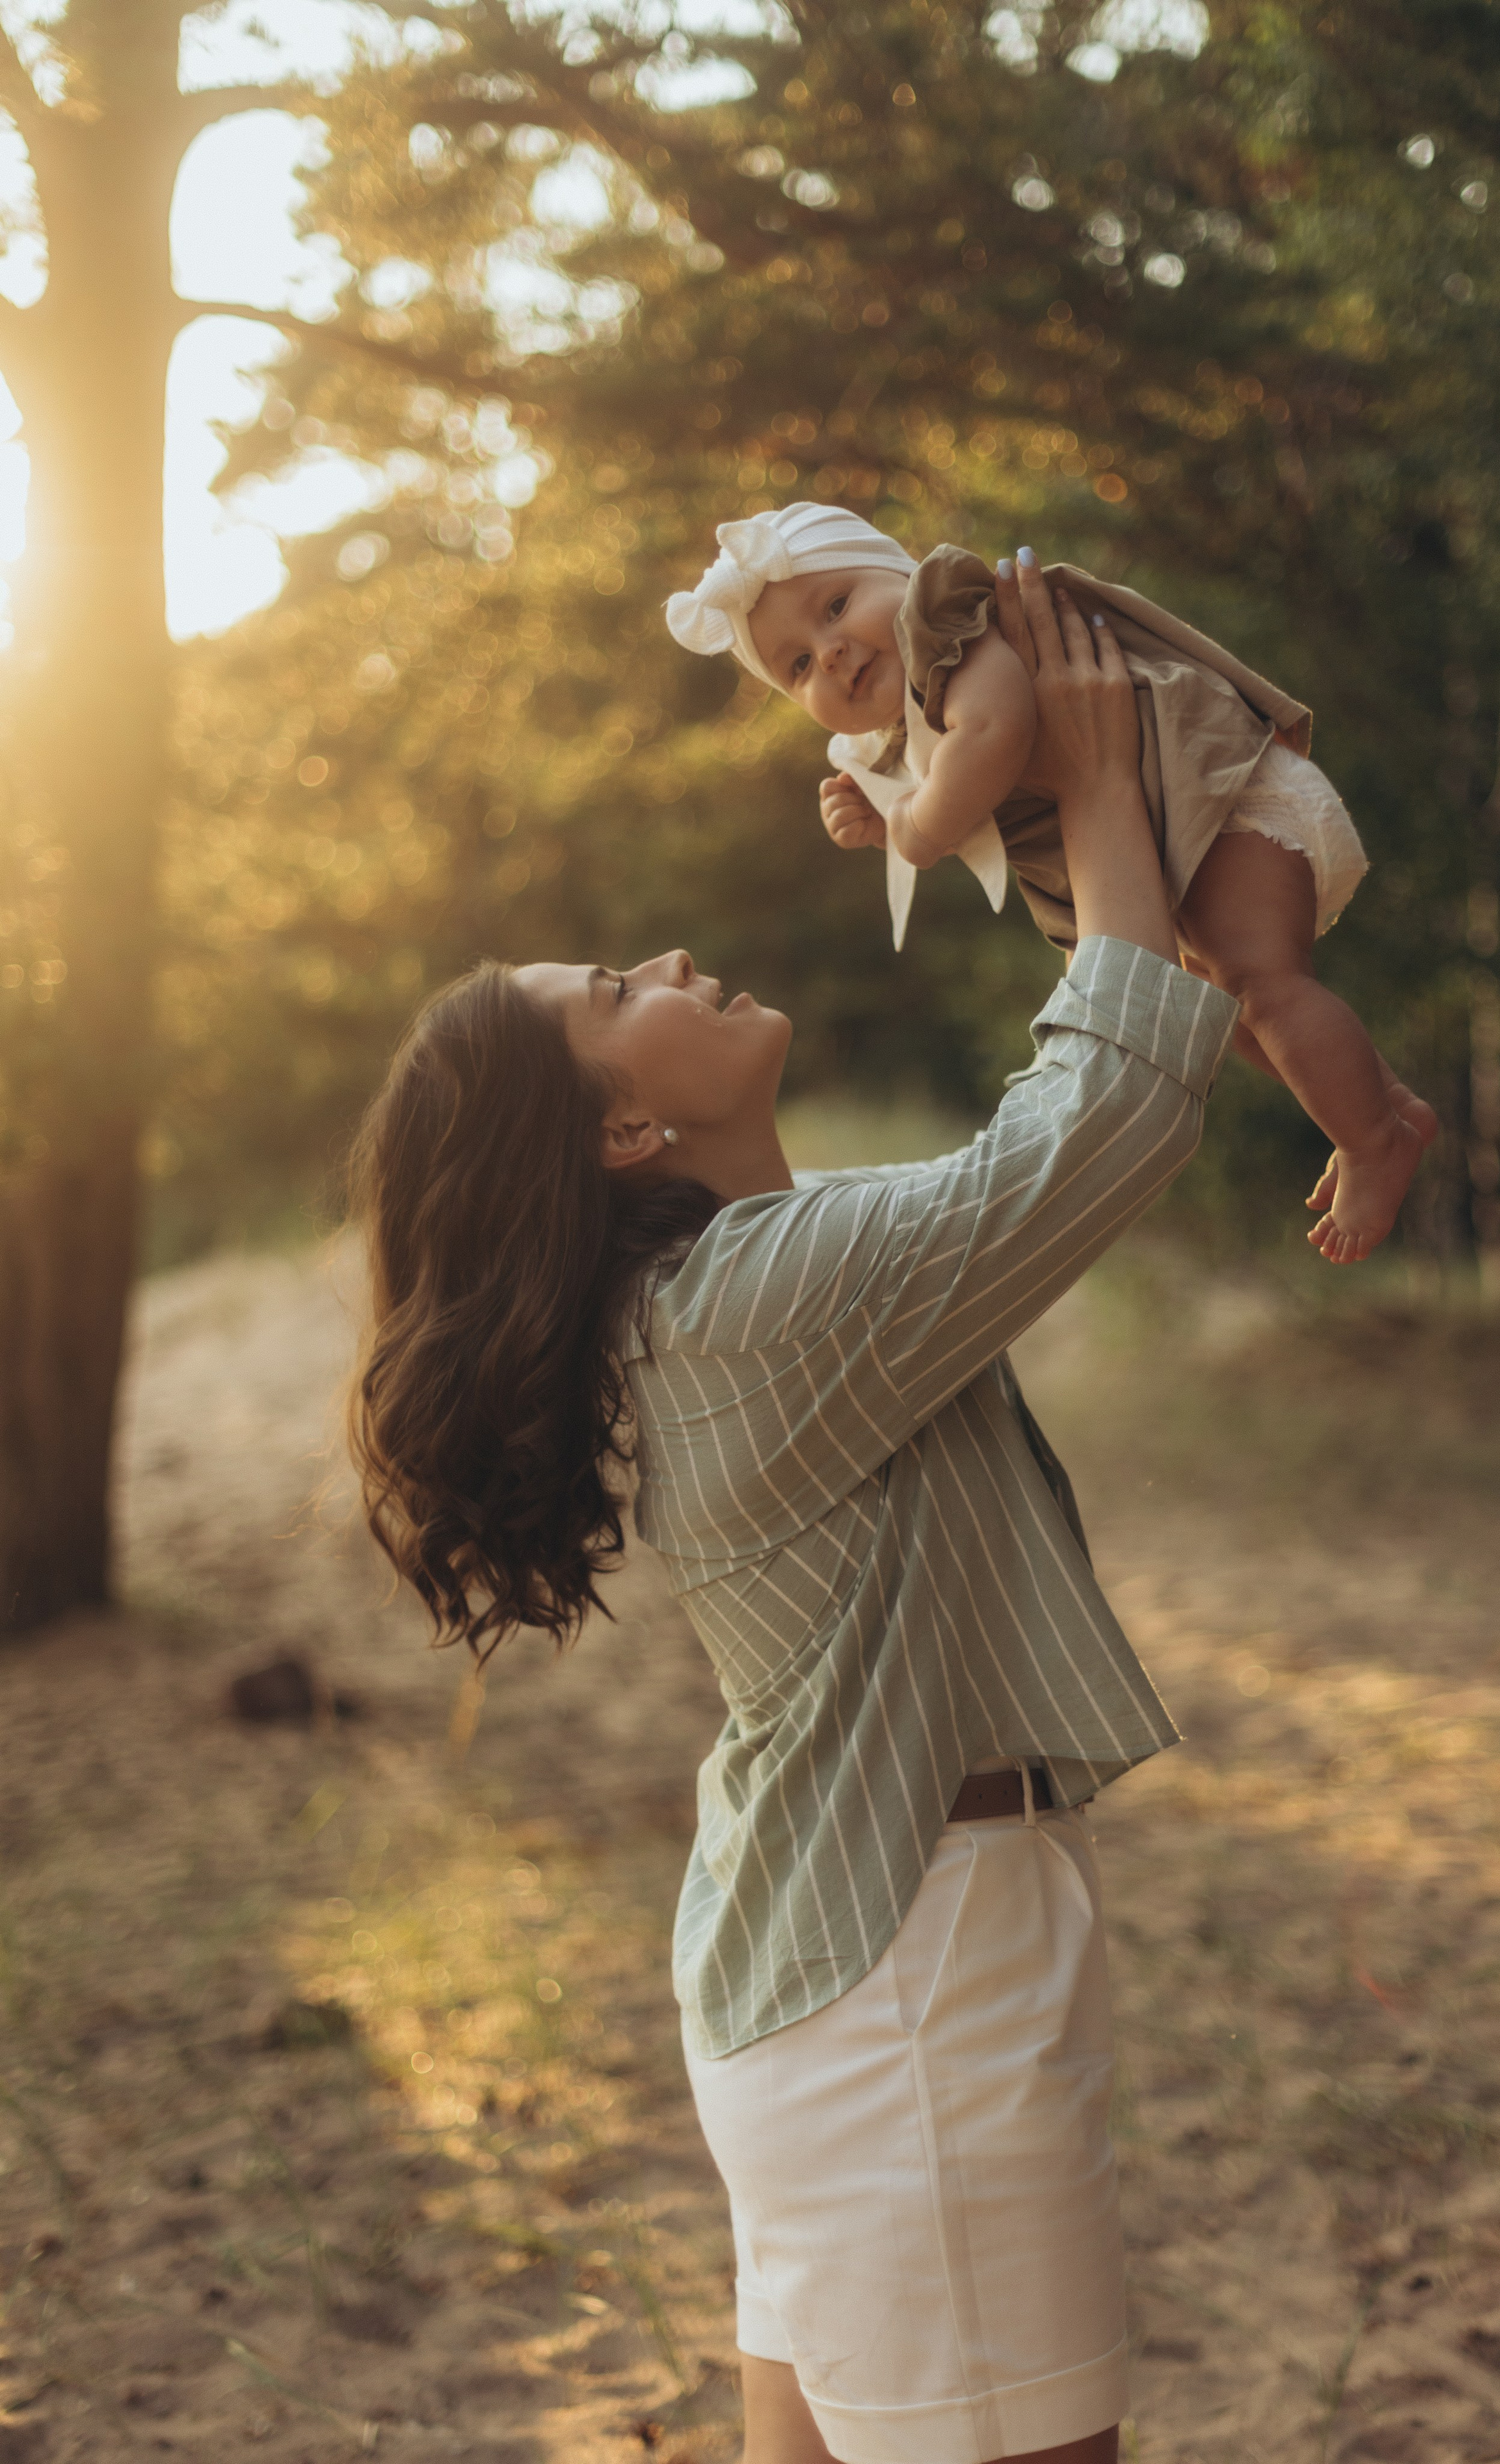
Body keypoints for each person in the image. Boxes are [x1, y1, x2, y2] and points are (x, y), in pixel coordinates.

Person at [348, 559, 1240, 2464]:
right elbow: (1098, 1132)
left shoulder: (732, 1288)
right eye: (617, 991)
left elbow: (1039, 1139)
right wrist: (1085, 775)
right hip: (909, 1974)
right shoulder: (748, 1309)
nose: (667, 958)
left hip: (840, 1967)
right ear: (614, 1131)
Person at [665, 502, 1436, 1265]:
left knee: (1262, 985)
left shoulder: (945, 619)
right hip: (1191, 832)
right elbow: (958, 779)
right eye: (796, 665)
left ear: (897, 571)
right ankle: (1382, 1106)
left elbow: (995, 729)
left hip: (1226, 794)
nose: (828, 652)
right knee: (1228, 1009)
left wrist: (914, 827)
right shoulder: (909, 721)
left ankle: (1367, 1142)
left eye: (836, 607)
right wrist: (881, 810)